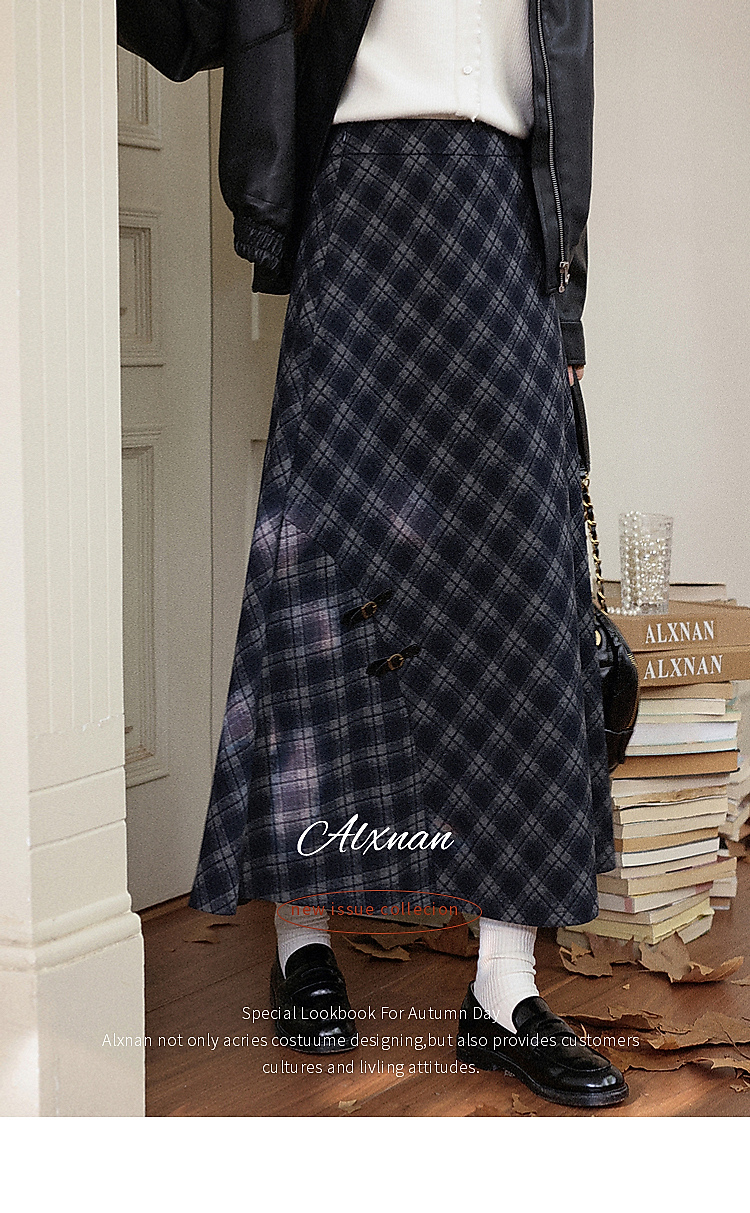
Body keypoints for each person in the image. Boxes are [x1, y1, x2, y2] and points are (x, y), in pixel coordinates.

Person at [118, 0, 629, 1109]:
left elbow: (566, 91)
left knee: (517, 600)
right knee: (325, 570)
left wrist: (567, 308)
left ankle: (505, 987)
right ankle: (302, 938)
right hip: (358, 200)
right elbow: (181, 24)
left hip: (502, 214)